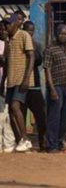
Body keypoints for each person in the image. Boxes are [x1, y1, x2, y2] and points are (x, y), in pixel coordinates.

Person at [44, 24, 66, 153]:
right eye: (61, 34)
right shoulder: (50, 49)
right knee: (54, 117)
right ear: (56, 34)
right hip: (56, 87)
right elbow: (47, 70)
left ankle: (59, 142)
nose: (63, 36)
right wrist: (51, 89)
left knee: (64, 118)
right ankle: (51, 145)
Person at [4, 13, 34, 152]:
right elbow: (7, 63)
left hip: (21, 79)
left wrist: (27, 78)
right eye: (5, 24)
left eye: (8, 24)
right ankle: (19, 141)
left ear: (16, 23)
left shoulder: (23, 35)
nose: (6, 26)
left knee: (16, 107)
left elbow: (31, 56)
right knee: (10, 111)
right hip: (11, 79)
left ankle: (26, 139)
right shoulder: (9, 40)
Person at [22, 21, 47, 151]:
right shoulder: (19, 43)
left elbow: (38, 60)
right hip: (21, 86)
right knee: (21, 114)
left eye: (32, 31)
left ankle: (42, 142)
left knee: (41, 115)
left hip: (35, 85)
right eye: (27, 30)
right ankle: (22, 142)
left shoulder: (36, 45)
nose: (29, 33)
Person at [0, 21, 15, 153]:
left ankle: (9, 143)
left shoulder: (11, 43)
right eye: (1, 29)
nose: (3, 31)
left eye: (5, 29)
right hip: (2, 81)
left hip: (8, 81)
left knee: (8, 114)